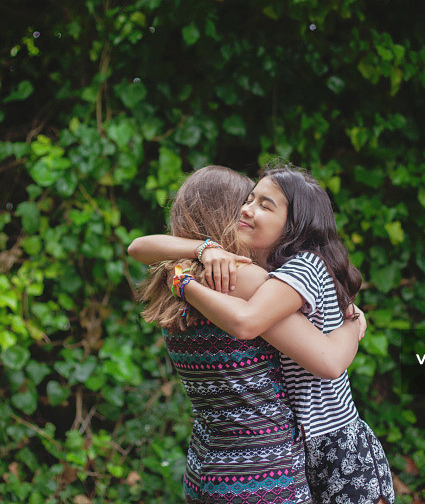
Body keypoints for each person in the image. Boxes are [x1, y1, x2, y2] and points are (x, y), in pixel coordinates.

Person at [133, 163, 394, 504]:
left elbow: (137, 247)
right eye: (246, 201)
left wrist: (189, 268)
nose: (247, 210)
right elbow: (327, 360)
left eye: (262, 204)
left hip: (206, 468)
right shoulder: (245, 280)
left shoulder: (172, 279)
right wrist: (354, 322)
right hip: (264, 472)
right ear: (226, 213)